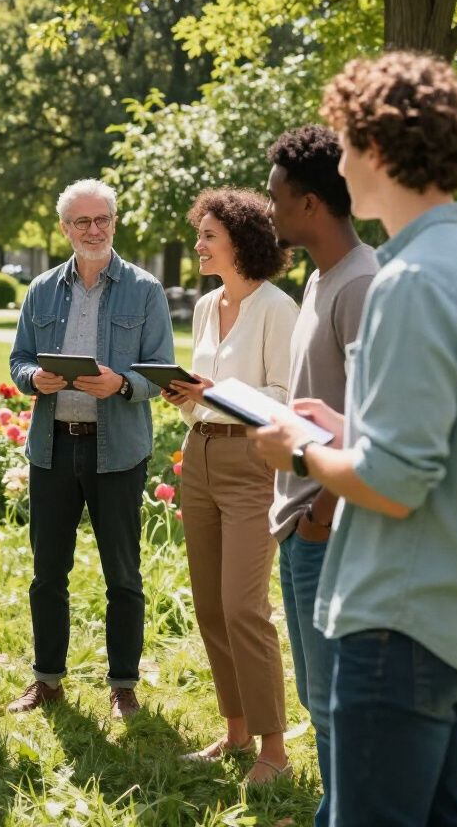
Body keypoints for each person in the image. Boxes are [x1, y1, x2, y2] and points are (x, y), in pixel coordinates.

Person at [253, 52, 457, 827]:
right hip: (454, 610)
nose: (339, 164)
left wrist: (300, 450)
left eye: (347, 145)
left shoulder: (407, 282)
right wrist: (356, 429)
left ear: (378, 151)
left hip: (396, 619)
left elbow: (397, 479)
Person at [7, 178, 175, 718]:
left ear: (115, 222)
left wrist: (122, 384)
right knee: (47, 572)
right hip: (53, 447)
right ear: (65, 229)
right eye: (82, 222)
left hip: (118, 450)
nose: (94, 229)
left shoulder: (145, 289)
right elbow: (18, 361)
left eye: (102, 219)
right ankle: (47, 680)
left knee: (122, 574)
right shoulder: (41, 290)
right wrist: (36, 379)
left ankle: (123, 683)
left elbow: (160, 370)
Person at [161, 187, 297, 783]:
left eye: (208, 236)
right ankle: (236, 732)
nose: (199, 244)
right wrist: (188, 400)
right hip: (201, 457)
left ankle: (275, 750)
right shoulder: (204, 305)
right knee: (212, 606)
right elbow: (204, 394)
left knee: (245, 606)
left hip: (252, 466)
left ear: (240, 241)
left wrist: (207, 394)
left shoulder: (277, 307)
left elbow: (284, 399)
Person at [264, 126, 378, 823]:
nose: (268, 209)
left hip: (327, 527)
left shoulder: (361, 284)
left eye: (276, 198)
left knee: (337, 704)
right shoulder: (318, 278)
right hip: (299, 518)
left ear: (310, 204)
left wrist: (318, 518)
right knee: (317, 697)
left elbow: (370, 421)